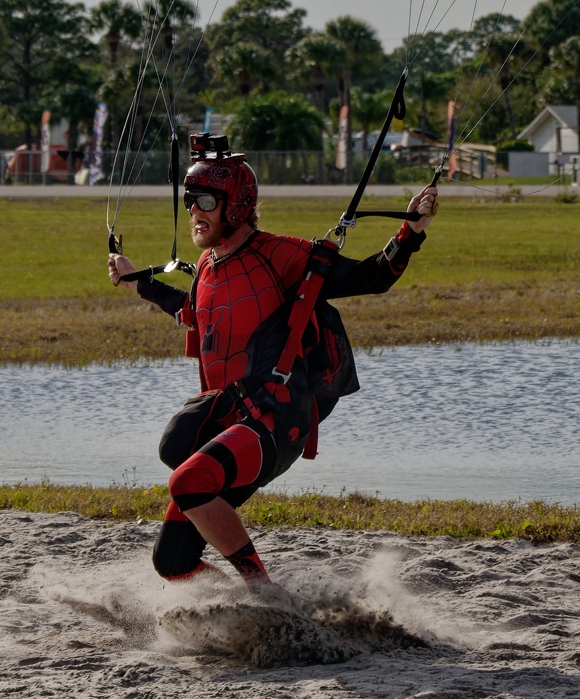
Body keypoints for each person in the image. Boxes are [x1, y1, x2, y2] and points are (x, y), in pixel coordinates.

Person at [108, 132, 439, 588]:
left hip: (275, 417)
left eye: (206, 199)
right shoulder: (208, 265)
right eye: (190, 201)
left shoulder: (279, 256)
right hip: (233, 419)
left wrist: (411, 230)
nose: (194, 212)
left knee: (187, 483)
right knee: (173, 563)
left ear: (237, 204)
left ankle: (262, 593)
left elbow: (372, 276)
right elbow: (195, 313)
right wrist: (137, 281)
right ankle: (238, 610)